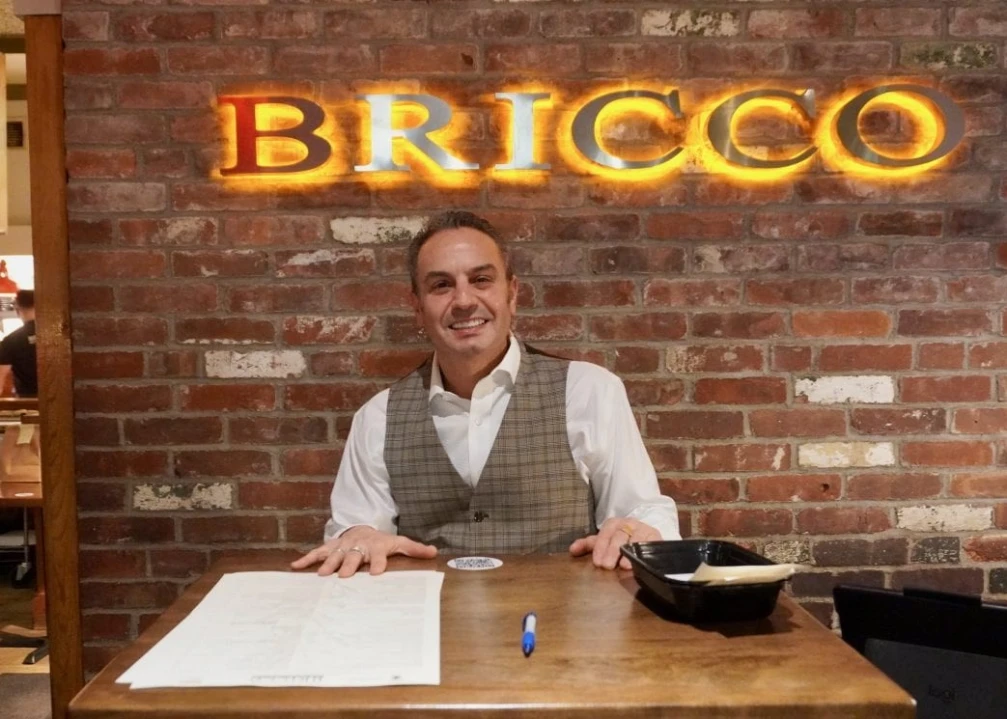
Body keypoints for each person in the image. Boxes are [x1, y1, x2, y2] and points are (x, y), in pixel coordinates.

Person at [292, 212, 679, 578]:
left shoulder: (589, 391)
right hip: (428, 620)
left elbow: (643, 512)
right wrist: (357, 536)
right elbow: (356, 529)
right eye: (441, 285)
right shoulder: (378, 417)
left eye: (480, 280)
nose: (463, 301)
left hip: (563, 619)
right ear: (417, 307)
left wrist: (637, 529)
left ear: (512, 294)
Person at [0, 290, 38, 398]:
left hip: (26, 402)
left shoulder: (10, 341)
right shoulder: (56, 336)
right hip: (59, 400)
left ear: (17, 310)